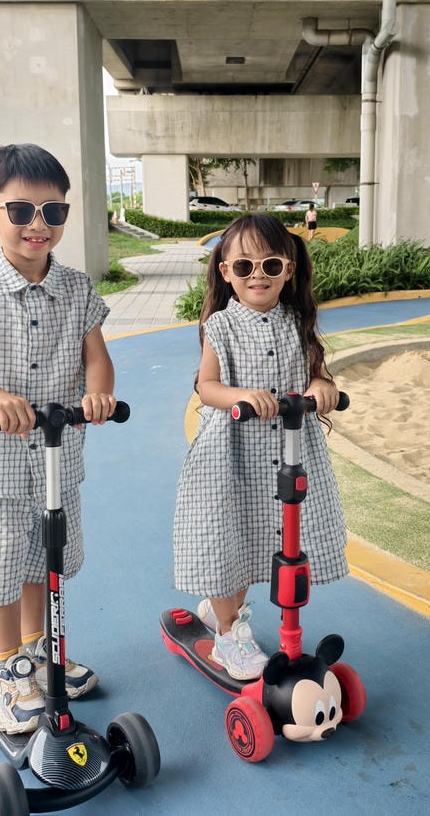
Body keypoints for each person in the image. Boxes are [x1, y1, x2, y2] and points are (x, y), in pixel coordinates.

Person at [0, 143, 117, 734]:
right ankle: (8, 668)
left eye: (53, 211)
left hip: (54, 454)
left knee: (45, 551)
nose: (39, 224)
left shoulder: (77, 288)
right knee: (1, 556)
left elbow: (97, 357)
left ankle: (38, 649)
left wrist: (98, 395)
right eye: (21, 211)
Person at [172, 213, 348, 680]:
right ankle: (228, 632)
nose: (258, 275)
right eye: (244, 266)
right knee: (228, 537)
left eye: (270, 265)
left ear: (288, 269)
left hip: (285, 454)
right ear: (225, 272)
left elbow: (315, 373)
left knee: (261, 538)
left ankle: (225, 609)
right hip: (231, 454)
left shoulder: (297, 321)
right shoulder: (221, 326)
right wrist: (242, 396)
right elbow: (207, 386)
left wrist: (321, 387)